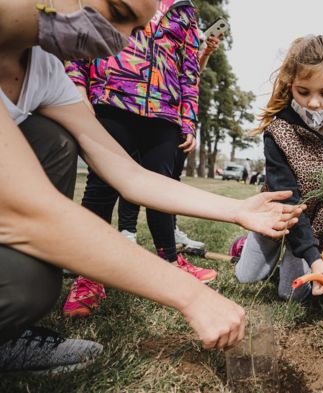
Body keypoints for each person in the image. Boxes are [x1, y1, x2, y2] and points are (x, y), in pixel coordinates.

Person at [0, 0, 302, 374]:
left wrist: (236, 210)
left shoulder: (42, 70)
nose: (123, 41)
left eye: (137, 27)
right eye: (118, 10)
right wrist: (189, 295)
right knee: (30, 285)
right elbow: (30, 214)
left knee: (53, 138)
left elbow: (130, 174)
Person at [62, 0, 218, 317]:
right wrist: (77, 83)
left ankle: (171, 262)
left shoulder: (184, 10)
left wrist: (188, 118)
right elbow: (79, 35)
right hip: (111, 101)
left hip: (164, 111)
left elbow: (188, 68)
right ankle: (89, 276)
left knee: (162, 190)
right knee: (101, 188)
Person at [234, 35, 323, 301]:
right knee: (246, 277)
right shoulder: (278, 132)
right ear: (291, 86)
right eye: (303, 92)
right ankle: (244, 247)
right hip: (281, 220)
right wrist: (314, 259)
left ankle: (293, 259)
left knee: (291, 294)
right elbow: (289, 201)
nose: (314, 103)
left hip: (318, 230)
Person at [115, 31, 223, 250]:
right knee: (136, 172)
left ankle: (170, 229)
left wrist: (206, 53)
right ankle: (127, 231)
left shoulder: (187, 24)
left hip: (177, 114)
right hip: (146, 106)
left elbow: (191, 74)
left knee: (170, 178)